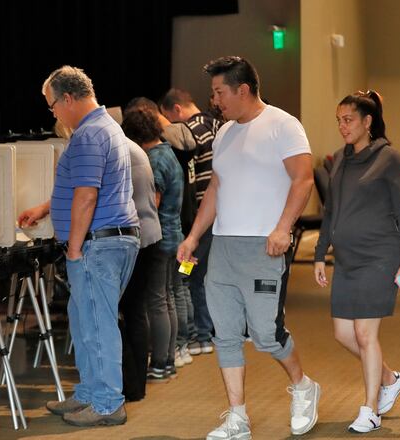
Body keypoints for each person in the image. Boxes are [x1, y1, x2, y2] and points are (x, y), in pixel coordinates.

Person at [177, 56, 320, 439]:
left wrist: (283, 228)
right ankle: (237, 418)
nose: (215, 100)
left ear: (243, 90)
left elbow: (303, 180)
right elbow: (216, 190)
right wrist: (193, 237)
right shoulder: (224, 132)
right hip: (222, 246)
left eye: (219, 92)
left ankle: (303, 386)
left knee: (266, 335)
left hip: (264, 247)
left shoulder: (283, 125)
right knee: (224, 334)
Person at [18, 65, 140, 426]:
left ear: (68, 98)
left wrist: (73, 248)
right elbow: (85, 188)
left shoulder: (88, 135)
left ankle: (106, 404)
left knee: (97, 324)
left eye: (52, 105)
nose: (53, 113)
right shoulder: (105, 128)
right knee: (85, 319)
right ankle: (90, 393)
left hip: (97, 244)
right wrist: (46, 207)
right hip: (109, 240)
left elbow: (87, 196)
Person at [313, 90, 400, 433]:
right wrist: (319, 253)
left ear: (367, 122)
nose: (342, 127)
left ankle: (370, 409)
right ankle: (389, 378)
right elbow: (331, 211)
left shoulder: (389, 158)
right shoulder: (341, 158)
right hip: (346, 261)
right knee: (344, 334)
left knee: (364, 333)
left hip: (380, 258)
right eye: (339, 121)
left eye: (349, 120)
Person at [160, 88, 223, 356]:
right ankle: (209, 331)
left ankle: (201, 334)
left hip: (200, 216)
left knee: (189, 274)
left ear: (176, 109)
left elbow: (193, 180)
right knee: (205, 274)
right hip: (221, 214)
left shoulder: (190, 130)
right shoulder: (216, 124)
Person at [122, 108, 184, 382]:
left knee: (157, 301)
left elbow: (153, 203)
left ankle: (160, 362)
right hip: (174, 235)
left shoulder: (155, 159)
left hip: (160, 239)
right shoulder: (168, 152)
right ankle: (168, 359)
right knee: (168, 298)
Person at [118, 133, 163, 399]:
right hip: (150, 236)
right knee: (140, 311)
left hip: (135, 239)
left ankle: (130, 385)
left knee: (130, 313)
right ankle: (138, 385)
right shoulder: (134, 148)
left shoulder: (117, 151)